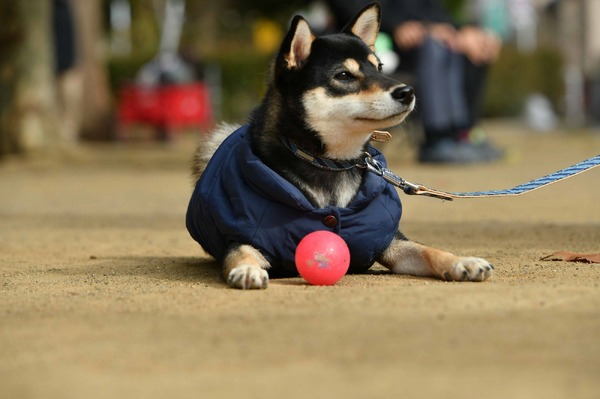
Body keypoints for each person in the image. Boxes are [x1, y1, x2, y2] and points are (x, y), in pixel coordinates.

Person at [326, 0, 503, 163]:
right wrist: (398, 26)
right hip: (376, 40)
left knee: (469, 49)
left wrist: (460, 30)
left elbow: (431, 11)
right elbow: (350, 7)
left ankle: (464, 134)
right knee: (434, 47)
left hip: (416, 34)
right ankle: (437, 140)